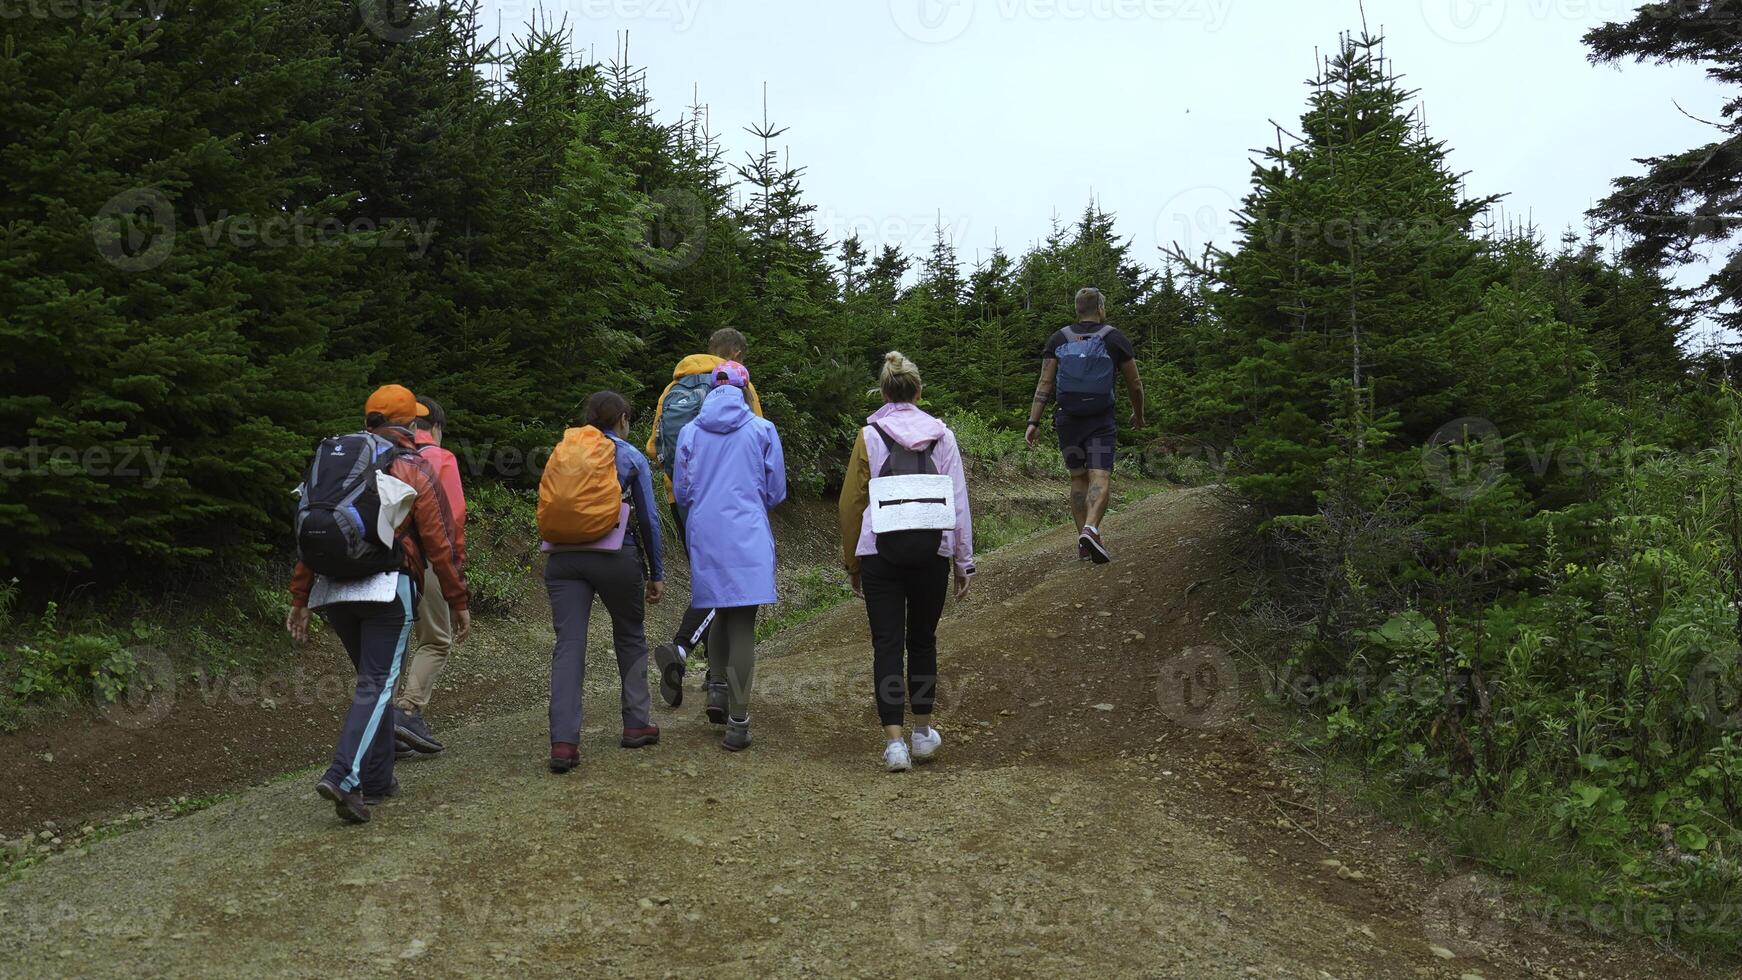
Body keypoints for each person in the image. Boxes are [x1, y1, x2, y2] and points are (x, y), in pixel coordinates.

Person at [285, 384, 470, 824]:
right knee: (378, 684)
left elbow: (310, 530)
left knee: (374, 684)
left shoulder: (336, 463)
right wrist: (457, 598)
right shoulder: (411, 467)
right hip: (388, 590)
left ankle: (379, 777)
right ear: (411, 425)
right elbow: (440, 545)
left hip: (334, 591)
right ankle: (343, 775)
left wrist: (301, 597)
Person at [839, 352, 975, 772]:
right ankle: (922, 733)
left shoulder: (870, 435)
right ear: (918, 391)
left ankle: (894, 744)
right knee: (922, 640)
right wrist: (962, 561)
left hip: (880, 551)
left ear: (884, 392)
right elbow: (958, 502)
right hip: (931, 552)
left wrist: (853, 561)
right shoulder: (943, 436)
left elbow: (851, 504)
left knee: (886, 643)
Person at [541, 392, 666, 774]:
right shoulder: (629, 456)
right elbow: (648, 520)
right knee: (629, 635)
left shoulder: (563, 450)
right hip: (616, 556)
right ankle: (636, 723)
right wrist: (656, 573)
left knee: (569, 645)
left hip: (562, 558)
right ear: (623, 419)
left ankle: (563, 743)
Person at [671, 360, 786, 751]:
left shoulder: (689, 431)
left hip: (705, 532)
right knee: (742, 623)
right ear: (744, 388)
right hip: (747, 533)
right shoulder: (762, 429)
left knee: (719, 607)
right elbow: (776, 492)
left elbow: (683, 493)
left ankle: (716, 688)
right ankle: (739, 722)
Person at [648, 328, 764, 710]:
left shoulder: (673, 388)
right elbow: (758, 443)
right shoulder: (741, 387)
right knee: (727, 584)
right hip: (731, 504)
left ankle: (714, 684)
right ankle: (683, 651)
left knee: (712, 577)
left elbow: (654, 448)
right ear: (737, 354)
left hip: (680, 501)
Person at [1024, 287, 1146, 564]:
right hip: (1101, 419)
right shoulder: (1115, 338)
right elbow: (1135, 385)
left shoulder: (1059, 338)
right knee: (1099, 475)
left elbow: (1044, 383)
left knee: (1078, 477)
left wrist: (1033, 421)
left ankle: (1083, 541)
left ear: (1077, 309)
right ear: (1101, 309)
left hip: (1068, 419)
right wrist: (1138, 415)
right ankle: (1091, 529)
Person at [393, 395, 464, 757]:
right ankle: (406, 713)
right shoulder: (440, 458)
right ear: (435, 427)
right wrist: (458, 587)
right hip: (427, 562)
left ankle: (379, 724)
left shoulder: (383, 453)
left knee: (392, 644)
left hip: (383, 563)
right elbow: (452, 524)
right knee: (435, 640)